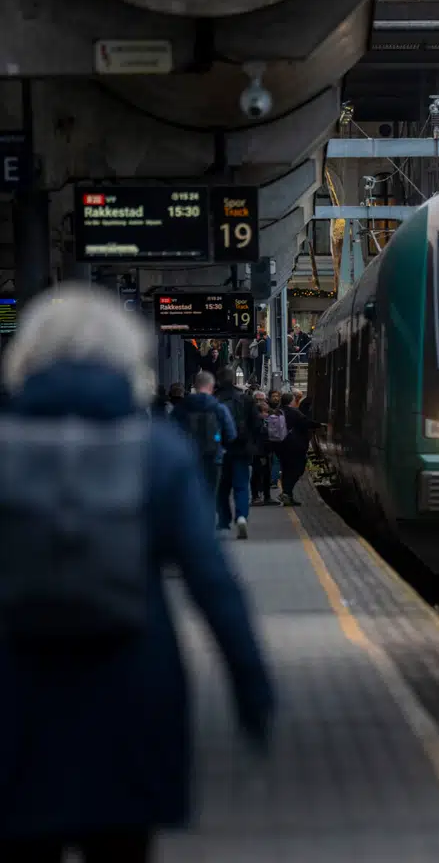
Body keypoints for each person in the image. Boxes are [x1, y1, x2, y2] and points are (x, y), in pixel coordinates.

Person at [0, 285, 273, 863]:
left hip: (15, 694)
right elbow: (211, 580)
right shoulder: (157, 450)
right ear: (126, 357)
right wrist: (251, 688)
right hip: (133, 688)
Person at [171, 370, 236, 501]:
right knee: (211, 496)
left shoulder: (182, 407)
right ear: (212, 386)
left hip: (188, 458)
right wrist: (219, 442)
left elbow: (171, 431)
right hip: (214, 457)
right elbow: (231, 434)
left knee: (190, 496)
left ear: (195, 385)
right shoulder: (218, 408)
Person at [215, 368, 264, 539]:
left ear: (218, 381)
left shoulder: (215, 400)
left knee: (221, 489)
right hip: (242, 450)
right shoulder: (246, 399)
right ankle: (241, 516)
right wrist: (253, 444)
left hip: (220, 451)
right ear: (234, 380)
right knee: (241, 486)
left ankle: (223, 521)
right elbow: (257, 425)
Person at [276, 392, 319, 505]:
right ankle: (286, 492)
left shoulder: (278, 411)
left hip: (281, 445)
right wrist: (320, 424)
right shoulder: (294, 412)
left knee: (286, 470)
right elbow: (306, 422)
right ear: (292, 401)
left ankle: (287, 495)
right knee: (297, 469)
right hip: (295, 446)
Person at [251, 391, 279, 505]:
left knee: (266, 473)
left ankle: (266, 496)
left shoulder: (267, 417)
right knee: (257, 473)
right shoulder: (254, 418)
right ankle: (255, 497)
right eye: (257, 399)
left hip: (266, 450)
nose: (266, 414)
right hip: (258, 450)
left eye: (262, 399)